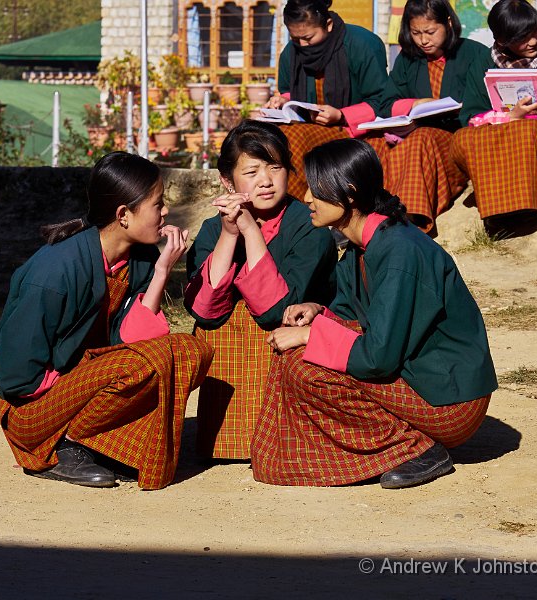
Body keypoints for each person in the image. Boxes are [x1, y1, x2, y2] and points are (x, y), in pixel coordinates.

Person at [251, 138, 497, 489]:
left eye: (316, 189)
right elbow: (351, 314)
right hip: (419, 379)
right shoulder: (362, 246)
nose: (306, 197)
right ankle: (393, 444)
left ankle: (414, 449)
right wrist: (317, 310)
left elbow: (378, 356)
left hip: (450, 400)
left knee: (307, 369)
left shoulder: (399, 252)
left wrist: (310, 334)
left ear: (349, 194)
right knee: (294, 358)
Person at [0, 152, 213, 490]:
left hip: (89, 381)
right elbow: (15, 374)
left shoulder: (139, 258)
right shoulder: (53, 272)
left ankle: (91, 442)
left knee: (188, 352)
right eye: (158, 203)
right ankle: (63, 447)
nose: (165, 211)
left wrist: (161, 272)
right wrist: (83, 373)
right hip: (31, 412)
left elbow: (134, 342)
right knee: (141, 364)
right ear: (123, 214)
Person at [184, 120, 337, 459]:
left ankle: (281, 435)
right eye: (251, 172)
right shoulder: (212, 230)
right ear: (228, 181)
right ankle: (228, 440)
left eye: (275, 167)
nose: (266, 181)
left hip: (287, 343)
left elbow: (275, 311)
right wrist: (229, 234)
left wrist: (251, 231)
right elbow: (203, 311)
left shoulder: (310, 226)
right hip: (232, 353)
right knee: (218, 325)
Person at [451, 0, 537, 237]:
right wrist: (510, 117)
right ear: (502, 40)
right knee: (462, 138)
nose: (534, 41)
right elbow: (470, 117)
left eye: (535, 31)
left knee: (526, 131)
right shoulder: (483, 64)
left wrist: (531, 119)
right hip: (500, 153)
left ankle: (525, 212)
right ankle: (499, 214)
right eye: (522, 38)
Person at [376, 0, 490, 234]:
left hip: (453, 139)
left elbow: (481, 104)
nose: (423, 40)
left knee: (423, 138)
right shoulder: (408, 58)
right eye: (416, 33)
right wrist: (416, 104)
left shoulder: (474, 53)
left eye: (430, 32)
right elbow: (386, 103)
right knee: (374, 146)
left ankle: (408, 216)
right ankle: (372, 213)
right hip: (411, 135)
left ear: (448, 23)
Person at [265, 0, 388, 200]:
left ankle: (295, 212)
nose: (302, 45)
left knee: (292, 139)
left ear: (328, 25)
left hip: (353, 133)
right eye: (295, 39)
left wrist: (341, 115)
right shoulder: (291, 52)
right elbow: (288, 92)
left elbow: (382, 100)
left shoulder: (362, 44)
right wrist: (280, 102)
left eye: (308, 37)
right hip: (307, 128)